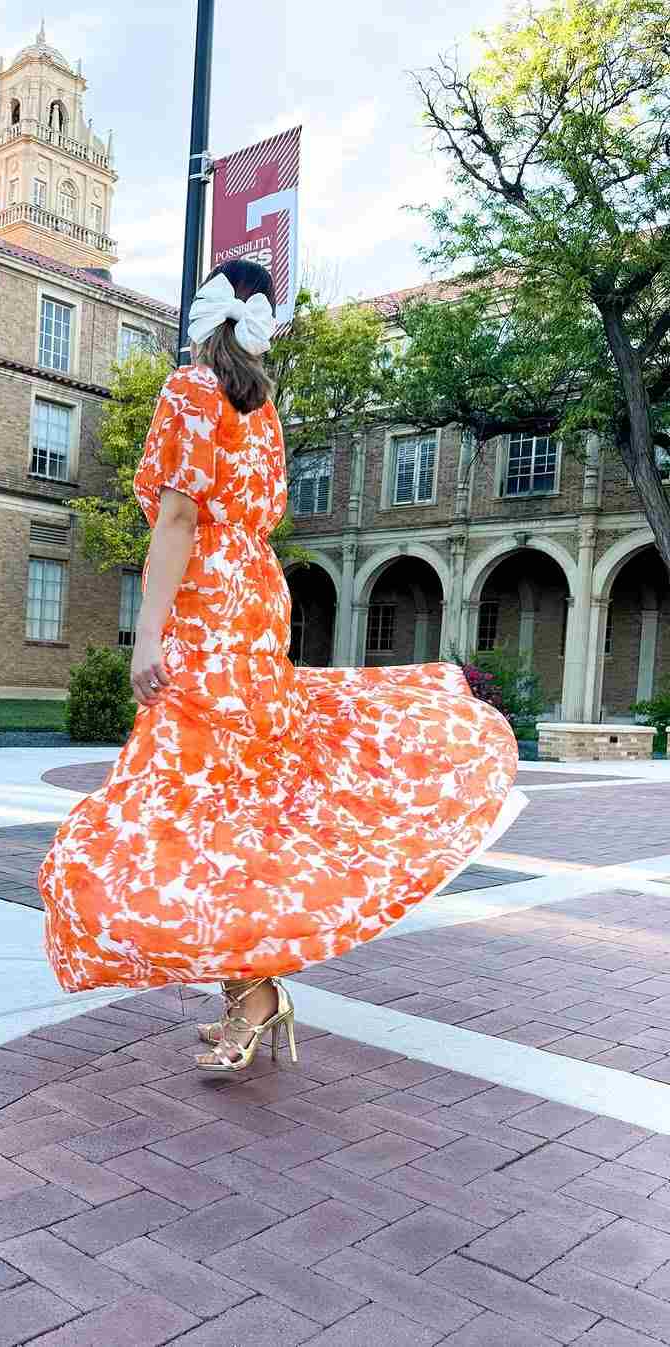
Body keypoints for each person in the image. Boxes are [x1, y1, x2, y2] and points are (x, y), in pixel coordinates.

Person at [37, 258, 525, 1074]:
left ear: (201, 314)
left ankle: (255, 993)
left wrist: (147, 633)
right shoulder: (259, 406)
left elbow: (180, 518)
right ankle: (249, 990)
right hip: (255, 605)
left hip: (209, 619)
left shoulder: (191, 392)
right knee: (238, 806)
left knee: (189, 809)